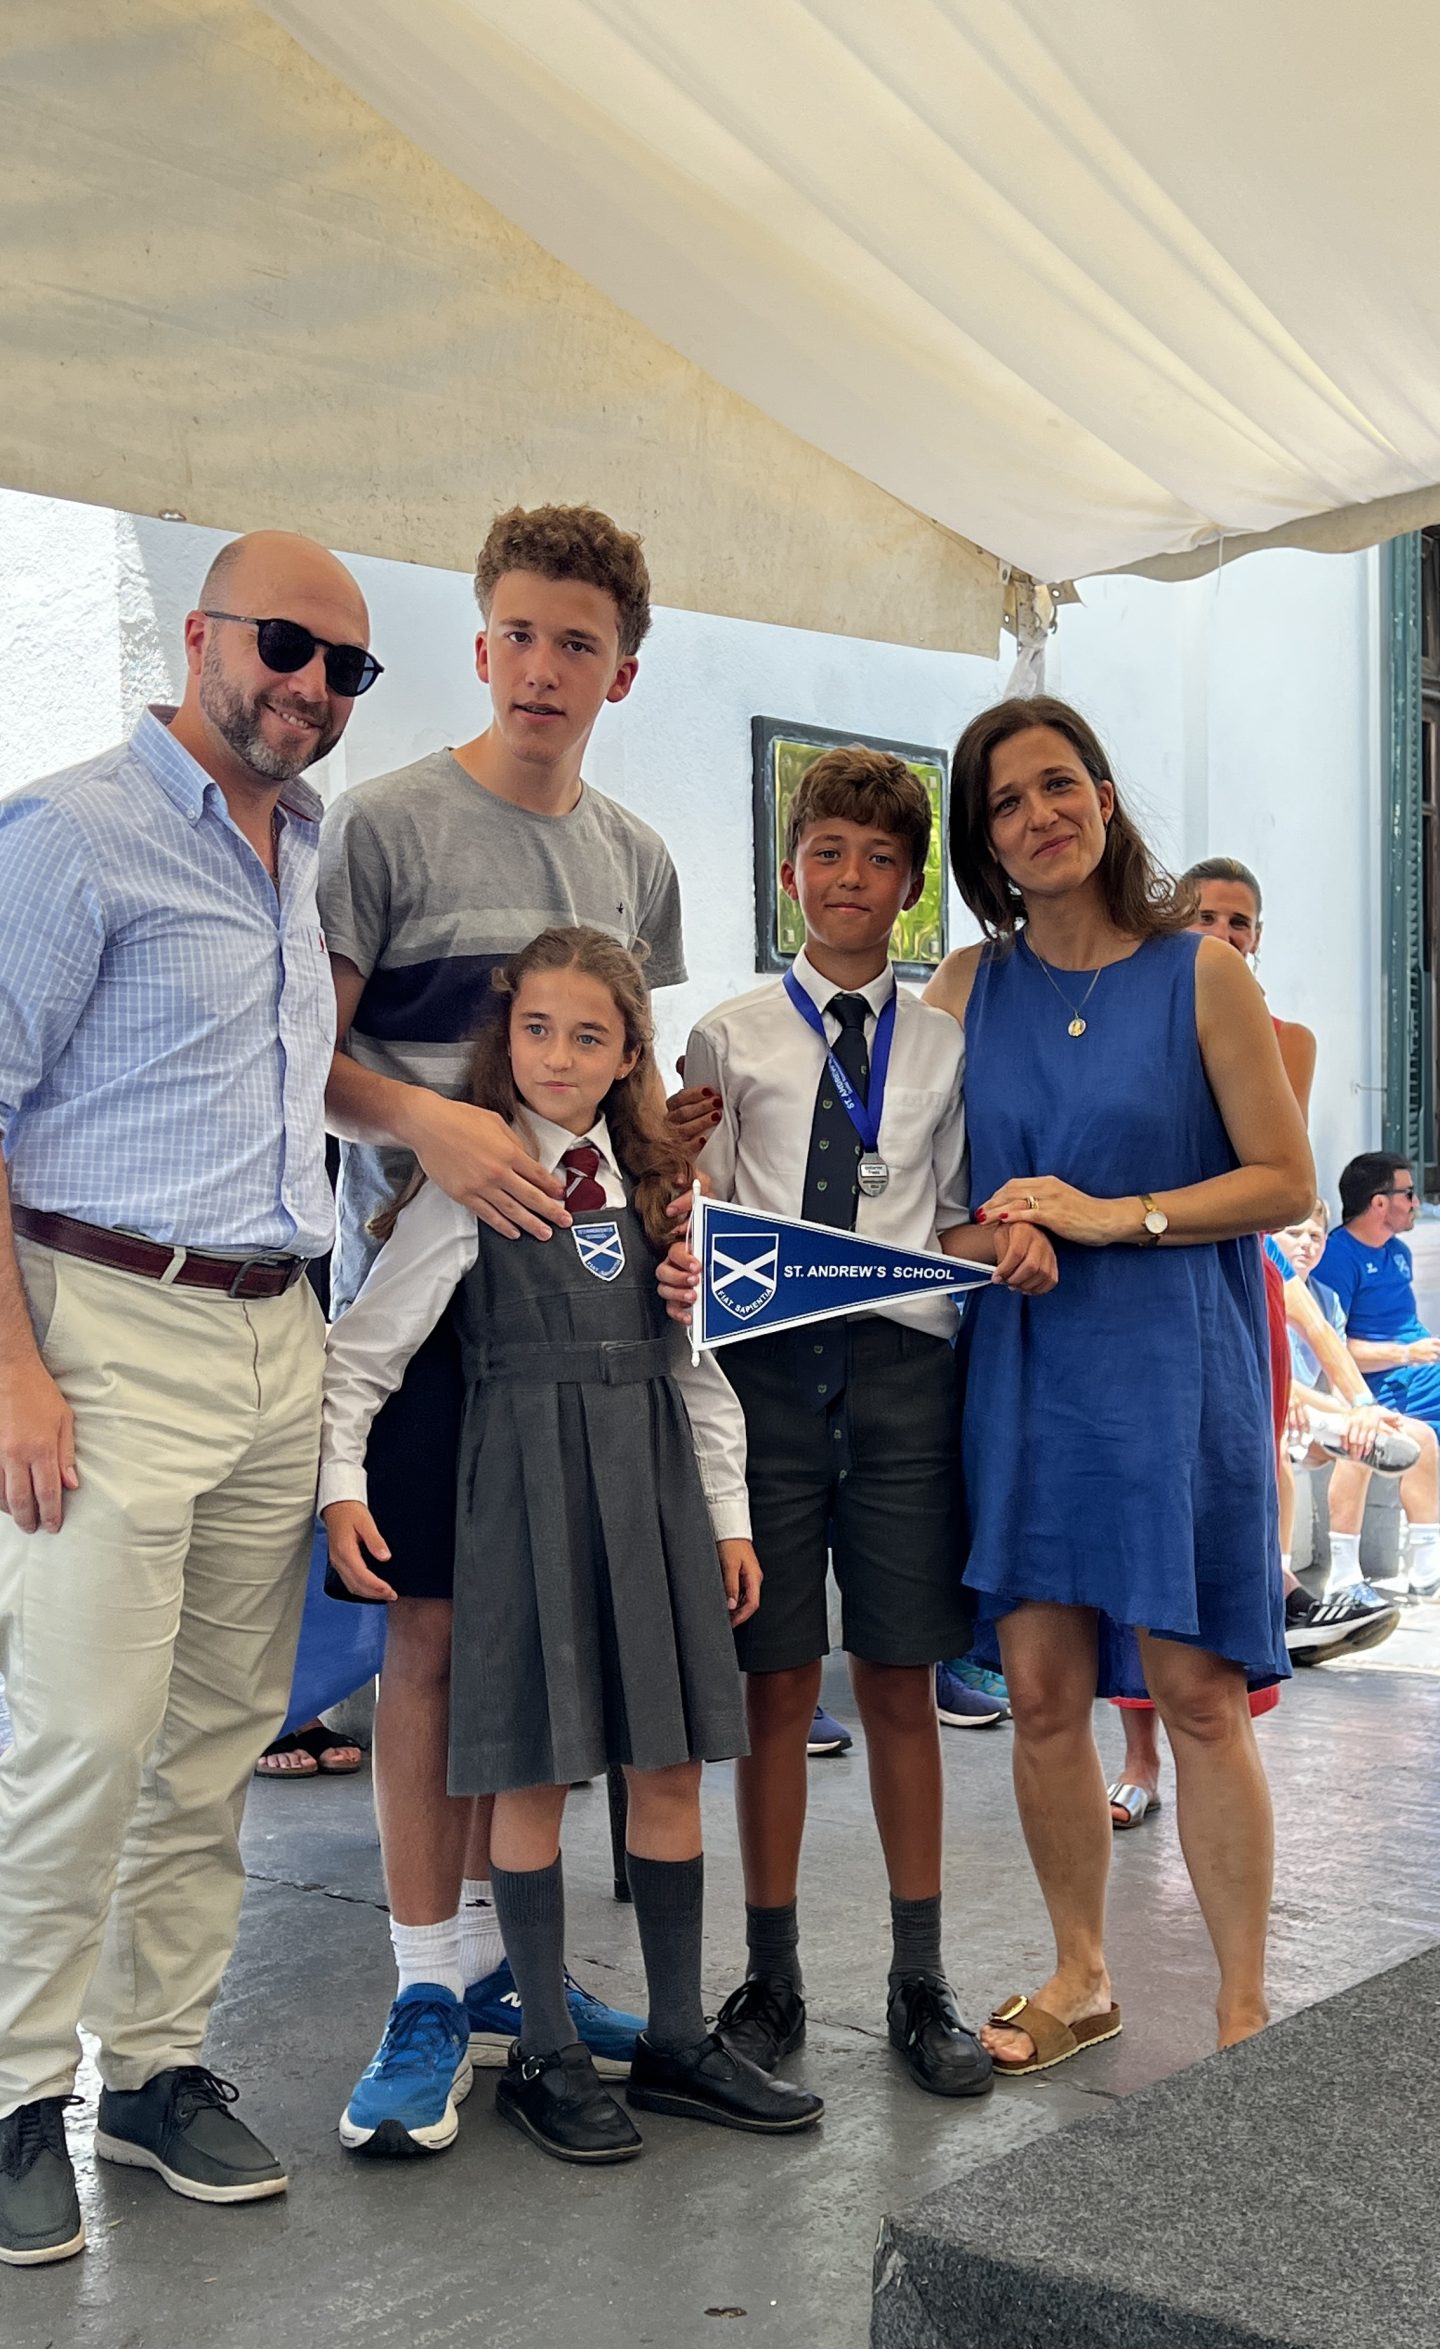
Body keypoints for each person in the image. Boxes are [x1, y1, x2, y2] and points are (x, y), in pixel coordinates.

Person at [0, 531, 377, 2267]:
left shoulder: (303, 850)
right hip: (106, 1325)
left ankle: (151, 2071)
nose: (309, 686)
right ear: (205, 633)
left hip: (273, 1329)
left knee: (219, 1733)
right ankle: (16, 2094)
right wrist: (15, 1368)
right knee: (79, 1732)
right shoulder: (71, 833)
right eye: (284, 644)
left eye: (344, 667)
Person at [321, 929, 822, 2161]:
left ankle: (676, 2038)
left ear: (630, 1052)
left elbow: (698, 1372)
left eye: (589, 1034)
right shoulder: (472, 1181)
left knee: (669, 1765)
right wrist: (340, 1489)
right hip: (525, 1507)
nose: (558, 1055)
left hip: (653, 1505)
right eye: (536, 1029)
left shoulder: (663, 1189)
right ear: (506, 1039)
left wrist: (729, 1518)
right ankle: (543, 2048)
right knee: (534, 1770)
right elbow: (365, 1352)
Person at [318, 504, 689, 2148]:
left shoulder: (638, 864)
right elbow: (304, 1062)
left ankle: (494, 1974)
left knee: (527, 1651)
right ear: (480, 647)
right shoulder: (381, 828)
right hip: (427, 1316)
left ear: (623, 670)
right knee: (430, 1645)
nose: (543, 668)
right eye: (519, 636)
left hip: (583, 1331)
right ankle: (423, 1982)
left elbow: (636, 1094)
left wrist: (671, 1225)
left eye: (578, 644)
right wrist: (439, 1129)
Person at [661, 746, 1056, 2101]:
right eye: (827, 853)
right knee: (776, 1684)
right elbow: (704, 1220)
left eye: (880, 859)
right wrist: (667, 1173)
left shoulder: (944, 1045)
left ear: (909, 887)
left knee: (898, 1681)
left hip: (902, 1383)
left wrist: (1006, 1239)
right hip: (769, 1381)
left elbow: (945, 1216)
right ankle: (771, 1977)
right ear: (790, 875)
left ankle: (918, 1976)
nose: (850, 878)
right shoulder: (728, 1037)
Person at [927, 697, 1313, 2071]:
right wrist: (994, 1239)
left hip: (1174, 1369)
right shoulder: (963, 990)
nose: (1039, 815)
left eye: (1058, 784)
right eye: (1006, 801)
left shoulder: (1200, 972)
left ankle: (1243, 2008)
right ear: (984, 841)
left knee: (1197, 1696)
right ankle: (1082, 1975)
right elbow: (923, 1206)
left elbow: (1285, 1179)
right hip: (1027, 1369)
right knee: (1040, 1694)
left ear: (1102, 795)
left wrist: (1112, 1215)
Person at [1104, 859, 1379, 1826]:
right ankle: (1138, 1757)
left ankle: (1229, 1720)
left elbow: (1269, 1177)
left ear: (1258, 938)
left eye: (1242, 920)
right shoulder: (1130, 1018)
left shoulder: (1286, 1038)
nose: (1225, 931)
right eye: (1207, 915)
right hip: (1131, 1284)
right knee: (1140, 1518)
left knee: (1228, 1501)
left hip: (1231, 1287)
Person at [1315, 1152, 1440, 1598]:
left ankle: (1427, 1568)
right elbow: (1331, 1348)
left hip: (1420, 1376)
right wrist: (1405, 1353)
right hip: (1382, 1388)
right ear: (1379, 1203)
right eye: (1408, 1193)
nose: (1416, 1202)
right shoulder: (1336, 1256)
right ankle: (1424, 1565)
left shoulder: (1397, 1252)